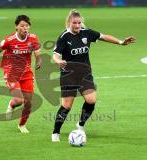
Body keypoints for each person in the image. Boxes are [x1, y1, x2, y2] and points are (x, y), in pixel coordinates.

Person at [52, 9, 135, 142]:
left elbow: (103, 36)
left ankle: (80, 125)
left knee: (91, 101)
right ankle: (55, 133)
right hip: (69, 75)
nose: (77, 25)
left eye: (79, 23)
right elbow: (56, 55)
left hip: (85, 74)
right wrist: (58, 61)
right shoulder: (64, 37)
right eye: (74, 23)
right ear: (69, 22)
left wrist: (120, 42)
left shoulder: (87, 33)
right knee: (67, 106)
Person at [0, 15, 42, 133]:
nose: (25, 28)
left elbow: (38, 54)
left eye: (27, 26)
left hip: (27, 74)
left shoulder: (33, 38)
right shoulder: (9, 40)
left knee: (28, 103)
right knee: (19, 100)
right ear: (16, 27)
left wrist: (39, 61)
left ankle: (22, 125)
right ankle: (12, 104)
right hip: (11, 73)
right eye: (22, 26)